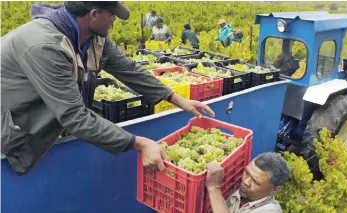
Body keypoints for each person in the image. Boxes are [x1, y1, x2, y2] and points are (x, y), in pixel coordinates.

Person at [1, 1, 214, 176]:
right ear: (93, 14)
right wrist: (138, 143)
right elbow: (75, 117)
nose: (114, 21)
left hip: (49, 117)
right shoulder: (45, 47)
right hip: (15, 124)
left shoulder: (93, 37)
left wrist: (176, 98)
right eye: (112, 15)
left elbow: (127, 68)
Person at [205, 152, 291, 213]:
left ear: (275, 189)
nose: (245, 182)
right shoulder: (235, 188)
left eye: (255, 181)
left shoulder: (270, 210)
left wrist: (214, 188)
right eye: (247, 173)